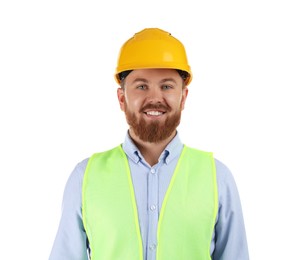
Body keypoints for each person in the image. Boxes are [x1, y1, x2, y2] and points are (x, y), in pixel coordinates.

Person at [49, 28, 249, 260]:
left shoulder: (218, 178)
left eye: (166, 86)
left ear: (183, 97)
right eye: (142, 86)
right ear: (122, 98)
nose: (155, 98)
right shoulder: (85, 177)